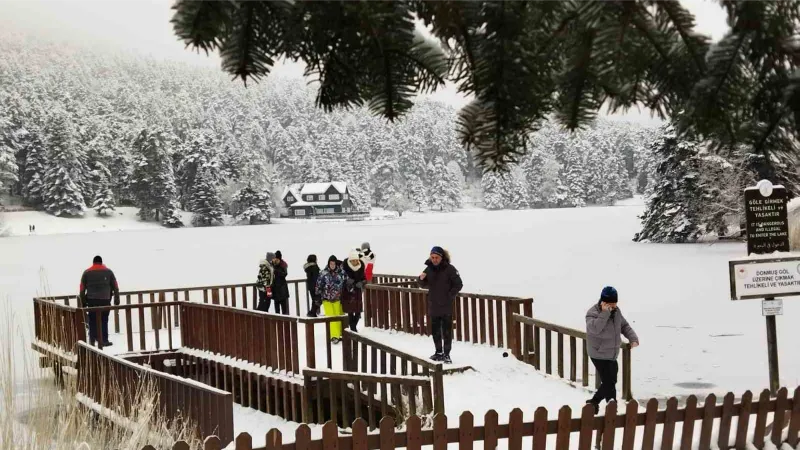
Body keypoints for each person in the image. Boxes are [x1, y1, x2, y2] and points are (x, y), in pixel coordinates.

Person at [585, 286, 640, 414]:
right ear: (603, 302)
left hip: (612, 353)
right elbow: (595, 329)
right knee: (609, 381)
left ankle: (600, 403)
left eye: (615, 303)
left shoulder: (616, 312)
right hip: (598, 353)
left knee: (611, 381)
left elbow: (624, 325)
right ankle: (609, 404)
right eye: (610, 304)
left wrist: (633, 338)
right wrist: (605, 313)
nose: (613, 306)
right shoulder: (592, 313)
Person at [418, 246, 463, 364]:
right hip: (433, 305)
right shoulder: (429, 269)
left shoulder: (450, 269)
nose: (434, 260)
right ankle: (438, 352)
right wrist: (420, 279)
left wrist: (450, 296)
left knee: (447, 331)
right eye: (432, 257)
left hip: (446, 306)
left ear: (442, 257)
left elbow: (458, 284)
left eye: (436, 257)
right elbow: (422, 284)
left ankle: (447, 354)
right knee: (435, 331)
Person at [79, 255, 120, 347]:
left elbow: (82, 288)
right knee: (104, 320)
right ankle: (104, 340)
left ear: (93, 262)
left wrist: (83, 301)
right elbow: (115, 286)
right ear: (101, 262)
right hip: (105, 300)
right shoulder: (109, 272)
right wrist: (117, 299)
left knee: (92, 320)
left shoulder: (86, 272)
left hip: (92, 301)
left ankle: (92, 340)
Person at [316, 255, 346, 343]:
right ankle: (334, 336)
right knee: (331, 317)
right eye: (331, 263)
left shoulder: (341, 273)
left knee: (337, 317)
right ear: (328, 263)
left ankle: (339, 333)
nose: (332, 265)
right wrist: (318, 296)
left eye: (334, 263)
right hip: (326, 299)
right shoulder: (323, 273)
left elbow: (345, 283)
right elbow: (318, 285)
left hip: (337, 298)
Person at [341, 249, 366, 332]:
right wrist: (348, 281)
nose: (355, 262)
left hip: (358, 291)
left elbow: (364, 278)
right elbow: (341, 278)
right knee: (350, 311)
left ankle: (353, 327)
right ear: (350, 260)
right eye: (353, 260)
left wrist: (362, 282)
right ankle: (353, 329)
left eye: (356, 260)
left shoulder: (361, 266)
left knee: (358, 312)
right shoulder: (345, 267)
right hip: (348, 291)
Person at [271, 250, 290, 315]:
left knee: (283, 307)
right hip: (276, 288)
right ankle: (279, 321)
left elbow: (284, 274)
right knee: (277, 307)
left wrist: (276, 271)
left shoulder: (283, 265)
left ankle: (284, 321)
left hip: (281, 288)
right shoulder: (272, 265)